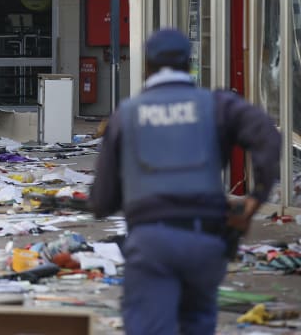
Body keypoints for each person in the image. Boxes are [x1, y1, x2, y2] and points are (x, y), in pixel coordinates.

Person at [90, 28, 281, 335]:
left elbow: (103, 200)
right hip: (205, 242)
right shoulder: (216, 105)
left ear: (147, 66)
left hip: (152, 241)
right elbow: (268, 136)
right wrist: (255, 198)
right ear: (187, 63)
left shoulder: (127, 115)